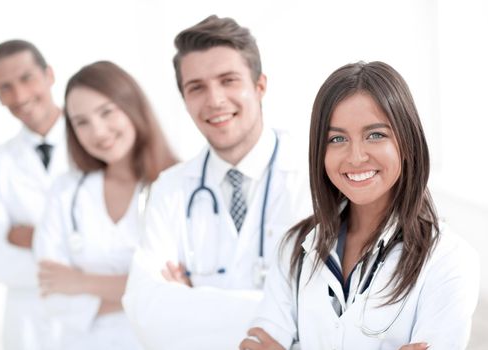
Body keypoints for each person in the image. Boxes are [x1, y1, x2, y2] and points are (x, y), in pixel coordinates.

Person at [239, 61, 480, 350]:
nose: (355, 157)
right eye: (337, 138)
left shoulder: (449, 260)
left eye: (375, 135)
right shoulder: (294, 247)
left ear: (407, 142)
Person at [122, 15, 311, 349]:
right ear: (184, 99)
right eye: (196, 87)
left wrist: (187, 301)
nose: (214, 100)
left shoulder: (314, 175)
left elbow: (324, 315)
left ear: (260, 85)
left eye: (228, 80)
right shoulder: (169, 188)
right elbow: (145, 312)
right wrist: (279, 312)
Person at [33, 61, 177, 349]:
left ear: (132, 107)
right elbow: (52, 295)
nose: (97, 131)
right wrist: (138, 290)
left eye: (106, 112)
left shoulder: (177, 186)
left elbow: (178, 292)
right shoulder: (65, 192)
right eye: (81, 122)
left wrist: (80, 283)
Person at [0, 39, 69, 350]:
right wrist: (76, 251)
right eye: (5, 87)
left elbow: (118, 250)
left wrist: (32, 237)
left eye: (27, 78)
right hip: (29, 331)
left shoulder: (99, 141)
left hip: (102, 324)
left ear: (49, 75)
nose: (19, 96)